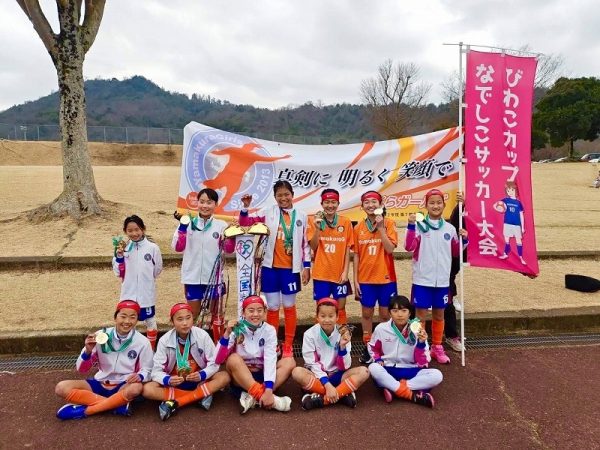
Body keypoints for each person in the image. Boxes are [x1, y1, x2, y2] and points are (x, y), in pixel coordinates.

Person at [238, 180, 311, 358]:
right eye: (279, 195)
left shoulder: (301, 216)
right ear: (274, 197)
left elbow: (305, 244)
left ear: (292, 195)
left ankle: (288, 344)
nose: (283, 198)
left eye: (286, 194)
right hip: (270, 268)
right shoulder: (267, 212)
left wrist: (307, 266)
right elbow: (246, 223)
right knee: (272, 307)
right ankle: (272, 342)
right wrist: (245, 208)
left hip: (290, 270)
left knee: (289, 306)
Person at [54, 300, 153, 420]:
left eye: (132, 317)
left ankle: (87, 411)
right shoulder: (100, 335)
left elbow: (147, 370)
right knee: (61, 387)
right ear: (115, 317)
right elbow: (81, 369)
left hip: (123, 385)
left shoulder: (142, 342)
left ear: (137, 320)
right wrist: (88, 351)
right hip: (100, 382)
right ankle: (116, 405)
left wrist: (140, 376)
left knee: (136, 388)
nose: (127, 321)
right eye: (123, 316)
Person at [405, 189, 468, 364]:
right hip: (422, 280)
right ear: (426, 205)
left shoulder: (450, 228)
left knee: (439, 315)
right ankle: (420, 346)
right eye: (432, 203)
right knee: (419, 316)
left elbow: (456, 252)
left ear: (444, 205)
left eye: (439, 203)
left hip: (442, 281)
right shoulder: (419, 225)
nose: (435, 206)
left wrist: (464, 240)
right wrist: (410, 226)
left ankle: (437, 347)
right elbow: (409, 247)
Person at [142, 303, 231, 421]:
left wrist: (202, 374)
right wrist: (168, 379)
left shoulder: (202, 335)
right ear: (172, 322)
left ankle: (175, 402)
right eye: (180, 319)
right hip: (175, 383)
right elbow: (156, 371)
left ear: (192, 318)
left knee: (224, 376)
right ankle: (200, 395)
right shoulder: (164, 340)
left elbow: (214, 363)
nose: (185, 323)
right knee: (147, 389)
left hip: (198, 381)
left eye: (188, 318)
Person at [214, 295, 295, 414]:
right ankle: (268, 399)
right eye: (251, 311)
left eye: (259, 310)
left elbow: (270, 359)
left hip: (263, 376)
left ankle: (253, 398)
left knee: (289, 362)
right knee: (233, 359)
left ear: (265, 311)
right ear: (243, 312)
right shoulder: (237, 328)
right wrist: (226, 334)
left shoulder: (269, 330)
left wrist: (268, 389)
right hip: (241, 377)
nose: (255, 314)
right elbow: (218, 359)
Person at [172, 188, 233, 341]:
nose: (205, 206)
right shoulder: (187, 223)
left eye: (209, 202)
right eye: (202, 202)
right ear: (197, 203)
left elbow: (229, 250)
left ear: (215, 204)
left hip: (214, 279)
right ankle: (193, 346)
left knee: (217, 315)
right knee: (193, 315)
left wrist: (231, 236)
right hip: (192, 277)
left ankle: (218, 346)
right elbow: (178, 247)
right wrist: (183, 228)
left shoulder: (221, 225)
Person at [291, 298, 370, 410]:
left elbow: (345, 366)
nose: (327, 320)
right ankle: (342, 393)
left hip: (338, 375)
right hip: (317, 376)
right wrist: (327, 385)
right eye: (323, 316)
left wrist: (342, 347)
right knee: (296, 372)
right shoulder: (309, 334)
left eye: (331, 316)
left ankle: (322, 399)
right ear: (317, 317)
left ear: (337, 317)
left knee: (364, 372)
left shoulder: (344, 332)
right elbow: (311, 363)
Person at [367, 295, 442, 407]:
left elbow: (423, 362)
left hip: (411, 369)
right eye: (395, 311)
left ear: (410, 313)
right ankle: (411, 394)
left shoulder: (417, 329)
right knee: (373, 367)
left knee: (437, 375)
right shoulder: (381, 328)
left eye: (404, 310)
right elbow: (372, 347)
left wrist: (421, 343)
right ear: (389, 313)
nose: (400, 314)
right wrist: (377, 359)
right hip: (388, 368)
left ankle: (393, 388)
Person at [353, 190, 398, 364]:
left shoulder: (389, 223)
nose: (371, 205)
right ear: (362, 206)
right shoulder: (358, 227)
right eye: (367, 202)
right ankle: (368, 346)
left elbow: (390, 249)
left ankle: (384, 346)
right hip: (365, 279)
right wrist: (355, 279)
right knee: (366, 313)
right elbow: (356, 255)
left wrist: (381, 229)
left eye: (374, 202)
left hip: (386, 279)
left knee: (385, 315)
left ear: (380, 204)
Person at [112, 215, 163, 351]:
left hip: (146, 294)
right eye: (130, 230)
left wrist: (147, 279)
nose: (134, 233)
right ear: (125, 231)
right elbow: (118, 272)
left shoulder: (153, 248)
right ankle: (128, 351)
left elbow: (157, 269)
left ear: (143, 229)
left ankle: (150, 351)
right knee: (127, 323)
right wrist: (119, 257)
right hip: (128, 294)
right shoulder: (122, 249)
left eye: (137, 229)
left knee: (150, 322)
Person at [307, 189, 354, 324]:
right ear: (322, 204)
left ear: (338, 203)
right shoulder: (314, 220)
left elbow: (347, 249)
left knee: (341, 307)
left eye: (333, 202)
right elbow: (313, 246)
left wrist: (345, 272)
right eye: (327, 202)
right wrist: (317, 229)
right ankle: (320, 335)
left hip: (339, 274)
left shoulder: (345, 222)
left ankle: (342, 334)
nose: (330, 205)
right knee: (322, 308)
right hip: (321, 274)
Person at [495, 181, 526, 265]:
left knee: (518, 240)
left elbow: (521, 215)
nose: (510, 192)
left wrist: (522, 227)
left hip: (516, 225)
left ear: (516, 190)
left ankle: (520, 257)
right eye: (508, 190)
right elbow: (496, 205)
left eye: (512, 190)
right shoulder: (505, 200)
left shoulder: (518, 203)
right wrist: (499, 209)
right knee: (506, 239)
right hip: (507, 223)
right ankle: (506, 253)